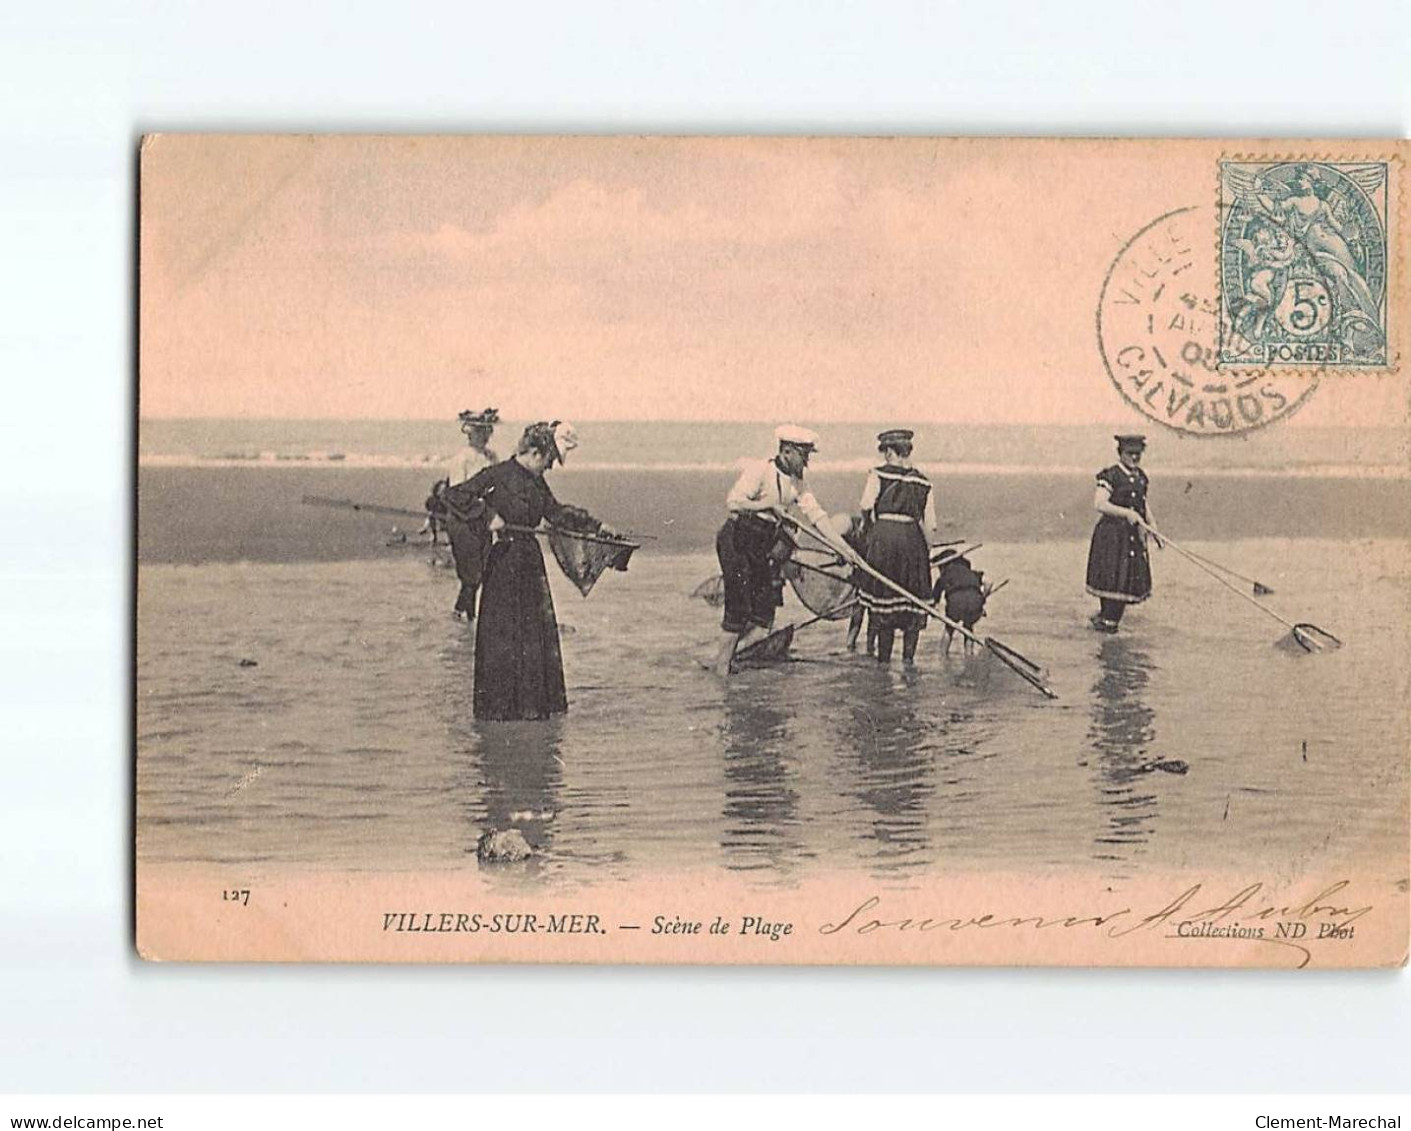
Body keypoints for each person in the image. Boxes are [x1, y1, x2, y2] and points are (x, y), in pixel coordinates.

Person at [445, 421, 609, 721]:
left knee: (532, 635)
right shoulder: (496, 475)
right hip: (502, 561)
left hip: (530, 563)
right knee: (503, 635)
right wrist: (488, 515)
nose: (550, 468)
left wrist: (595, 526)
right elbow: (455, 496)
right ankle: (501, 708)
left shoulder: (536, 483)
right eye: (548, 461)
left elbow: (556, 513)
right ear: (534, 452)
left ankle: (530, 707)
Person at [713, 425, 852, 676]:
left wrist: (842, 548)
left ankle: (732, 655)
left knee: (764, 611)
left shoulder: (798, 483)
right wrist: (767, 505)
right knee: (739, 607)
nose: (807, 461)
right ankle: (721, 669)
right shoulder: (760, 470)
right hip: (737, 540)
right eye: (804, 454)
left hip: (760, 546)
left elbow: (817, 517)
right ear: (787, 451)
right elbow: (733, 501)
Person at [857, 429, 937, 666]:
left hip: (885, 541)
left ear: (890, 451)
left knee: (884, 605)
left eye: (885, 453)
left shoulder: (878, 474)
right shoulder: (924, 482)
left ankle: (883, 664)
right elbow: (930, 525)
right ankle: (908, 663)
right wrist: (925, 556)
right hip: (913, 543)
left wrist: (868, 523)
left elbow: (865, 504)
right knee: (912, 604)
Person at [1086, 434, 1163, 633]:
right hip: (1112, 537)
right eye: (1130, 454)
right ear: (1121, 453)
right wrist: (1126, 513)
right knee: (1113, 583)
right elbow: (1099, 504)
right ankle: (1107, 626)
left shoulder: (1141, 477)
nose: (1135, 458)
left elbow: (1143, 504)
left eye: (1138, 454)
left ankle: (1106, 624)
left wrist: (1153, 528)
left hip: (1131, 539)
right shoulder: (1111, 475)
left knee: (1125, 583)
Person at [444, 408, 500, 619]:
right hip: (463, 521)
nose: (484, 435)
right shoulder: (461, 460)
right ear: (469, 432)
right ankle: (463, 615)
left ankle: (467, 617)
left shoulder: (492, 457)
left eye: (487, 430)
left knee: (484, 571)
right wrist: (485, 511)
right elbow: (458, 496)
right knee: (471, 575)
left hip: (483, 520)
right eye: (479, 431)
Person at [931, 547, 986, 655]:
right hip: (975, 602)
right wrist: (982, 599)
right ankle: (968, 654)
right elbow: (988, 584)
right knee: (968, 627)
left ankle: (943, 655)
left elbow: (934, 599)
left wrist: (933, 610)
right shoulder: (972, 573)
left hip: (956, 602)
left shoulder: (945, 576)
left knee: (949, 629)